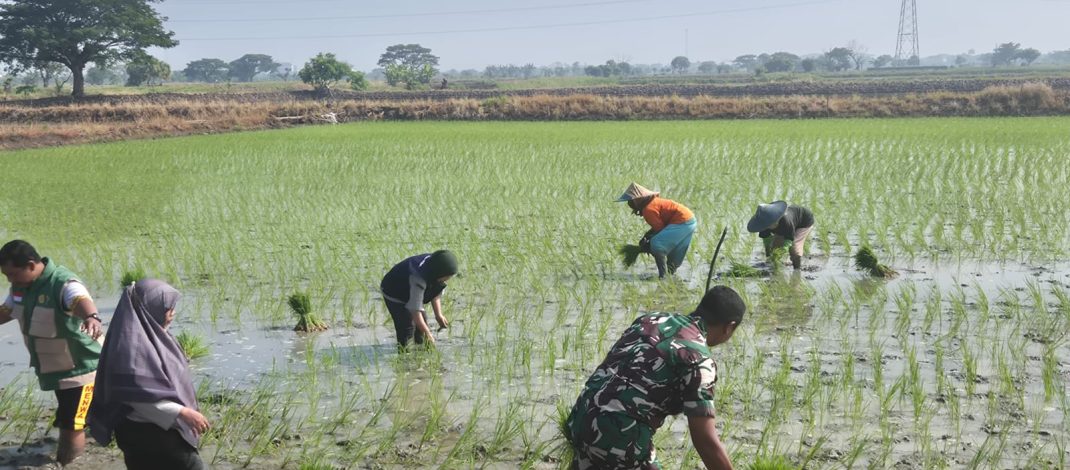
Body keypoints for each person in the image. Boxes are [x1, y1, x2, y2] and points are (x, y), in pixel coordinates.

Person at [565, 286, 746, 470]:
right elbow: (705, 440)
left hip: (580, 417)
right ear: (729, 327)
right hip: (616, 435)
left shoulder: (651, 319)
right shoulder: (700, 360)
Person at [88, 278, 209, 470]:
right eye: (168, 307)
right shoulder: (131, 349)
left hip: (151, 433)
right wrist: (182, 412)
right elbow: (137, 397)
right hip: (149, 435)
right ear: (149, 308)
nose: (172, 312)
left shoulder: (153, 335)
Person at [0, 240, 102, 465]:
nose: (10, 280)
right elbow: (7, 311)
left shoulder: (62, 283)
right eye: (6, 275)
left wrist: (91, 317)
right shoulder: (20, 288)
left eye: (12, 274)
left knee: (71, 424)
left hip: (83, 370)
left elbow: (81, 300)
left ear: (30, 265)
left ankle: (68, 464)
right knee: (77, 417)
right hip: (56, 371)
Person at [380, 250, 458, 349]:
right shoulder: (418, 278)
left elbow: (436, 291)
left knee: (422, 325)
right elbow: (415, 311)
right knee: (406, 326)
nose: (448, 279)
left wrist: (438, 315)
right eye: (446, 277)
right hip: (394, 292)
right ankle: (404, 353)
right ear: (439, 273)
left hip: (410, 289)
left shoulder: (435, 264)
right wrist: (428, 334)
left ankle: (420, 349)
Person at [617, 183, 697, 278]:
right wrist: (647, 236)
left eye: (631, 201)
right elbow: (659, 227)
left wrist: (647, 243)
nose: (630, 204)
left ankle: (662, 276)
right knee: (676, 250)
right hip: (690, 220)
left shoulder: (648, 209)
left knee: (657, 244)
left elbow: (659, 229)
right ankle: (670, 276)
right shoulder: (653, 203)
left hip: (681, 221)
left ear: (638, 200)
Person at [746, 201, 814, 270]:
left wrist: (784, 248)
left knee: (794, 249)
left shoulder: (786, 221)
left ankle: (797, 269)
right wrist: (769, 253)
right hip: (788, 226)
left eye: (774, 223)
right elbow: (766, 239)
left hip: (804, 222)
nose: (772, 225)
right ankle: (774, 267)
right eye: (769, 225)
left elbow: (789, 239)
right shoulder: (764, 224)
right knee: (775, 247)